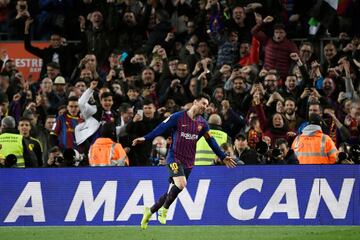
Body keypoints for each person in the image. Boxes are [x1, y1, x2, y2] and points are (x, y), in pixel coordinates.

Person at [132, 94, 236, 229]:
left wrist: (222, 156)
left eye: (206, 105)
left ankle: (150, 211)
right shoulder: (178, 117)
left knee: (171, 192)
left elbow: (211, 141)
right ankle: (164, 209)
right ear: (195, 102)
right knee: (182, 184)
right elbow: (160, 128)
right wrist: (145, 138)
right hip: (174, 157)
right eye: (203, 103)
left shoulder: (202, 124)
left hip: (189, 162)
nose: (205, 107)